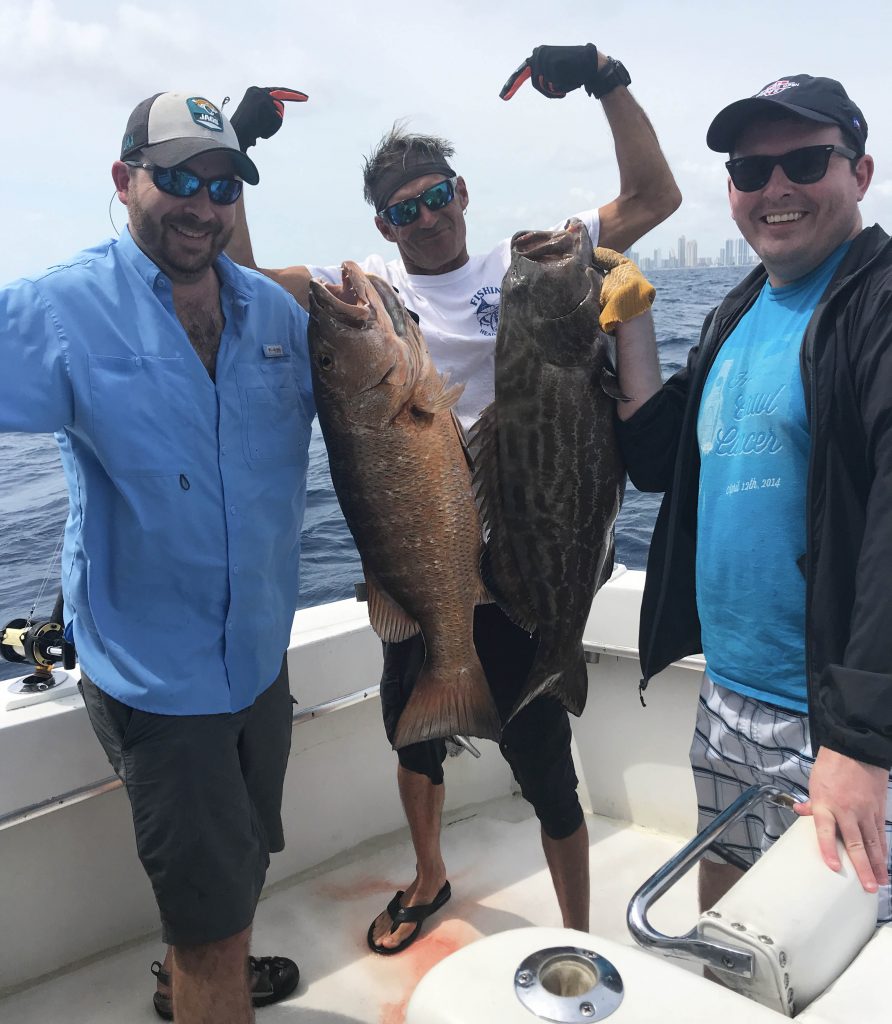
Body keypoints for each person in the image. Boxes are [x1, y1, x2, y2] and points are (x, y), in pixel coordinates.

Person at [226, 43, 681, 953]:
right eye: (404, 210)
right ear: (385, 229)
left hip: (529, 544)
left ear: (463, 193)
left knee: (544, 757)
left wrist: (605, 76)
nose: (426, 218)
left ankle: (577, 933)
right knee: (412, 733)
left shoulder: (534, 267)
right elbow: (237, 286)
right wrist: (236, 156)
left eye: (437, 196)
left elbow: (653, 200)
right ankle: (430, 875)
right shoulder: (370, 292)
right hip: (423, 545)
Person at [0, 93, 315, 1022]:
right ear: (122, 179)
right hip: (157, 675)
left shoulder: (277, 314)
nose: (199, 203)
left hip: (258, 657)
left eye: (220, 185)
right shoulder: (64, 309)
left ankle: (196, 970)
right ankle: (204, 976)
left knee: (245, 859)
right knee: (213, 921)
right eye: (174, 178)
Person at [613, 74, 892, 924]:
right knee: (728, 895)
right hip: (729, 691)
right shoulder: (736, 310)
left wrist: (858, 740)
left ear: (861, 173)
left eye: (805, 161)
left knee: (847, 945)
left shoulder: (878, 305)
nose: (774, 188)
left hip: (837, 717)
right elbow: (661, 462)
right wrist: (628, 320)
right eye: (749, 170)